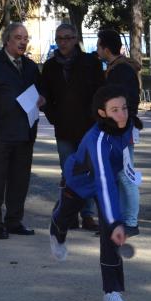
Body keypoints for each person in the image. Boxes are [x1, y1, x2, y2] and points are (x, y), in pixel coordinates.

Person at [49, 84, 142, 301]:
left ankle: (111, 293)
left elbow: (120, 167)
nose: (122, 114)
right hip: (81, 181)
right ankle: (56, 231)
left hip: (107, 180)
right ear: (102, 113)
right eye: (114, 110)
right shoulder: (97, 140)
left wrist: (114, 222)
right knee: (64, 217)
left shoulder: (128, 126)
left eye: (124, 108)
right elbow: (103, 181)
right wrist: (115, 220)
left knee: (111, 236)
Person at [0, 22, 44, 239]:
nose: (23, 42)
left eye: (26, 38)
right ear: (7, 40)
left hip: (25, 133)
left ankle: (14, 220)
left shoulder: (31, 67)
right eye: (18, 37)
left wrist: (42, 100)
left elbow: (38, 94)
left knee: (20, 180)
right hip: (1, 134)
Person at [41, 23, 105, 231]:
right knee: (68, 171)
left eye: (67, 38)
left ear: (75, 39)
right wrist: (54, 116)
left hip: (88, 127)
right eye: (59, 38)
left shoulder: (90, 62)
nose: (63, 42)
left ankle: (87, 214)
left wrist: (96, 118)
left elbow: (99, 92)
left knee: (88, 171)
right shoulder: (50, 66)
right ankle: (69, 214)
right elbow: (46, 97)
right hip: (64, 128)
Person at [95, 30, 141, 236]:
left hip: (120, 129)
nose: (97, 50)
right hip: (118, 128)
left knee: (125, 175)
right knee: (119, 175)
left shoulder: (120, 71)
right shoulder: (119, 69)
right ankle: (123, 219)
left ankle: (131, 221)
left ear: (105, 48)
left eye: (98, 46)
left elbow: (123, 102)